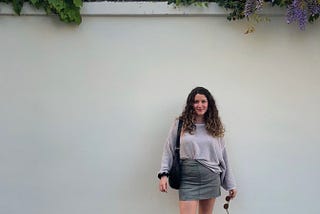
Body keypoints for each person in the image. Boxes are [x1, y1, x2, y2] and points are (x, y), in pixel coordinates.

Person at [158, 86, 237, 214]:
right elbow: (169, 149)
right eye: (196, 102)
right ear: (191, 104)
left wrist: (230, 184)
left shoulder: (215, 126)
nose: (199, 105)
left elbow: (223, 156)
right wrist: (163, 174)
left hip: (211, 177)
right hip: (187, 179)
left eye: (203, 101)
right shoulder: (180, 124)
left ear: (209, 103)